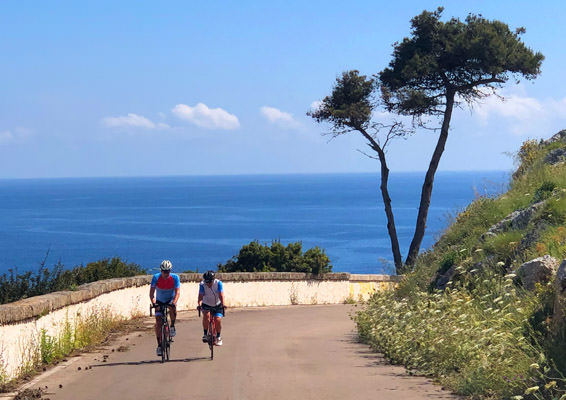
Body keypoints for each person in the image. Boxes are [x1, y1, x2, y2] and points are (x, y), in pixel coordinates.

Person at [150, 260, 180, 357]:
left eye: (168, 271)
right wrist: (154, 303)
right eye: (164, 271)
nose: (166, 273)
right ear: (161, 270)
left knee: (172, 308)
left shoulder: (175, 278)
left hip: (170, 299)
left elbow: (177, 292)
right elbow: (151, 294)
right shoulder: (156, 278)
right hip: (159, 301)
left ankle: (172, 326)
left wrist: (174, 302)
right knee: (158, 323)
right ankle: (159, 345)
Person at [197, 270, 225, 346]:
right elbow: (200, 297)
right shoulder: (202, 284)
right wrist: (199, 304)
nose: (208, 284)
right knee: (206, 316)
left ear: (213, 280)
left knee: (217, 319)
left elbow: (221, 295)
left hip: (217, 304)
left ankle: (218, 336)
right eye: (207, 282)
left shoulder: (218, 283)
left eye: (210, 282)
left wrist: (223, 304)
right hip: (206, 304)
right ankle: (205, 334)